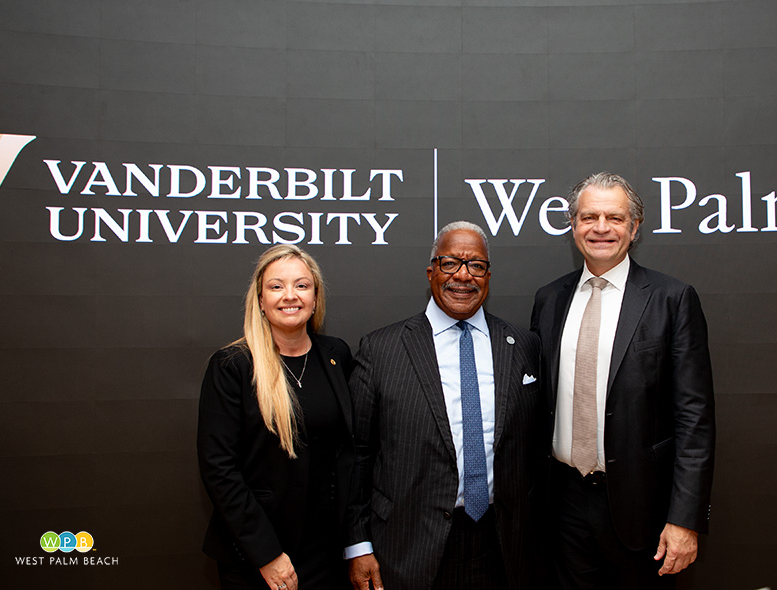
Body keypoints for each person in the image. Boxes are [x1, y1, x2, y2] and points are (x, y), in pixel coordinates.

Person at [530, 172, 716, 589]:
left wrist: (684, 520)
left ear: (634, 227)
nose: (600, 228)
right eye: (589, 217)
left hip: (640, 510)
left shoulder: (672, 299)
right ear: (573, 226)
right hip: (562, 505)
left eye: (614, 217)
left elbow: (695, 421)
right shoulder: (549, 299)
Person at [345, 221, 544, 590]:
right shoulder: (381, 350)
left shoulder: (523, 345)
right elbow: (357, 455)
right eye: (450, 263)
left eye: (476, 266)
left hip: (502, 547)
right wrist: (358, 545)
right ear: (431, 272)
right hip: (409, 545)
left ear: (488, 274)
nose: (463, 276)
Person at [198, 245, 355, 590]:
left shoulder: (336, 355)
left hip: (324, 550)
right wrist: (266, 555)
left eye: (301, 285)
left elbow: (347, 454)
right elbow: (219, 469)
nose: (290, 296)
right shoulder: (232, 366)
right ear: (260, 300)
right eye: (276, 286)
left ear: (315, 297)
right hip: (256, 554)